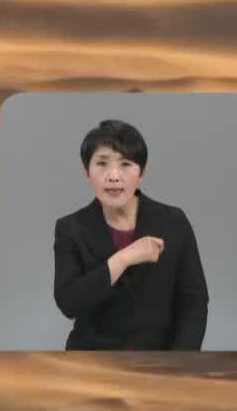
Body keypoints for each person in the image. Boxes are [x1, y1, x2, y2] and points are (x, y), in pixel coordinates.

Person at [52, 119, 208, 349]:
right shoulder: (70, 228)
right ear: (87, 172)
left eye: (125, 164)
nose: (113, 176)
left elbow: (194, 303)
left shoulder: (173, 221)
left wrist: (180, 361)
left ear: (142, 173)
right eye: (102, 164)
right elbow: (69, 303)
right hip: (93, 360)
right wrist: (124, 258)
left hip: (159, 360)